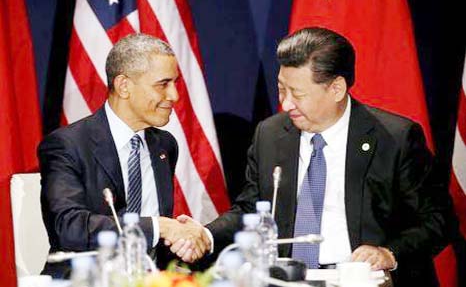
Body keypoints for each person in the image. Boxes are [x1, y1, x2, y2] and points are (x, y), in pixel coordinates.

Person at [175, 27, 457, 286]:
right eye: (281, 89)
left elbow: (438, 220)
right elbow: (251, 208)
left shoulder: (394, 138)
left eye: (297, 94)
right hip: (286, 279)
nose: (285, 104)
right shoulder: (271, 134)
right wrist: (206, 234)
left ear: (336, 88)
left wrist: (388, 253)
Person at [39, 33, 210, 278]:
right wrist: (160, 227)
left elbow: (156, 243)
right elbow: (69, 227)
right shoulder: (68, 145)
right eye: (163, 84)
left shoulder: (164, 146)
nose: (174, 95)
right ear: (124, 86)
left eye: (175, 83)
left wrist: (186, 240)